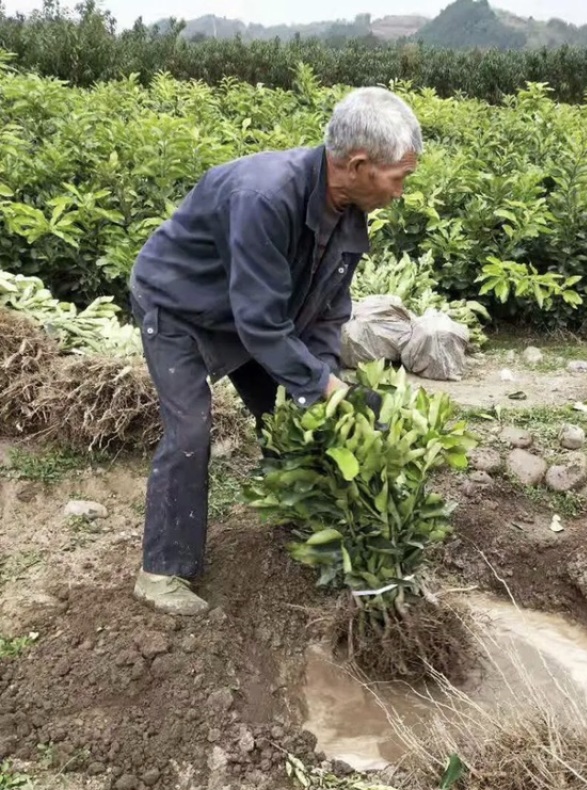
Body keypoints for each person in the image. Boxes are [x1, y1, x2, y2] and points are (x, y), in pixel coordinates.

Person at [129, 87, 422, 616]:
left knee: (289, 413)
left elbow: (327, 310)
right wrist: (333, 391)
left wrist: (325, 381)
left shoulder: (347, 211)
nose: (401, 190)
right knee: (191, 429)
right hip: (178, 307)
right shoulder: (265, 197)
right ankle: (162, 571)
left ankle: (297, 514)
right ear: (358, 165)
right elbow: (263, 325)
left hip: (249, 313)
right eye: (399, 177)